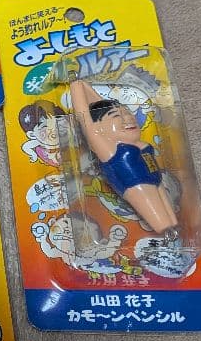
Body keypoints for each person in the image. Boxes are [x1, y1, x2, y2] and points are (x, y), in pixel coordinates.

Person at [70, 79, 177, 235]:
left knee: (173, 220)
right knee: (163, 224)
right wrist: (76, 85)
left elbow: (102, 106)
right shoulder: (108, 148)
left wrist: (86, 86)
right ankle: (167, 233)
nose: (128, 118)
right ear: (99, 129)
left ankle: (173, 231)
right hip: (135, 184)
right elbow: (85, 118)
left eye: (127, 113)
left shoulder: (137, 143)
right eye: (116, 116)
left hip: (156, 178)